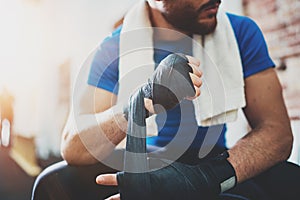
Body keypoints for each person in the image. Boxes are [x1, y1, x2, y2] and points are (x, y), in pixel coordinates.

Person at [32, 0, 300, 199]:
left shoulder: (241, 33)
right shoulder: (114, 47)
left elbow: (277, 133)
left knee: (290, 181)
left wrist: (205, 178)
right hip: (144, 164)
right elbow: (73, 146)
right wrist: (142, 100)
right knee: (52, 183)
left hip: (212, 164)